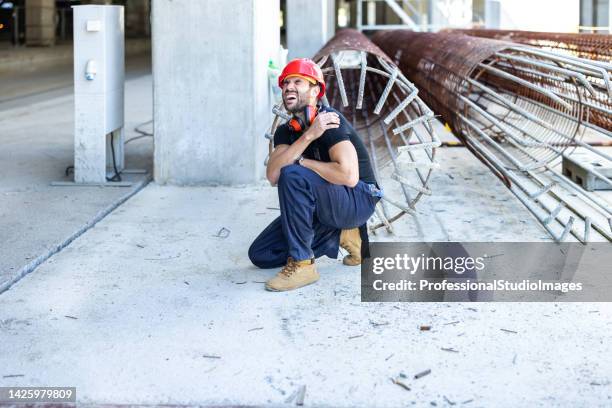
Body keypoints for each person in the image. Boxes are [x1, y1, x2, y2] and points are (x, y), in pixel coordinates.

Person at [248, 58, 382, 292]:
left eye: (298, 82)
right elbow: (272, 175)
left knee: (292, 174)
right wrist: (308, 136)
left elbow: (349, 176)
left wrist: (302, 161)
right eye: (285, 83)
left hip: (359, 199)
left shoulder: (330, 122)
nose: (289, 87)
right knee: (261, 254)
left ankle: (303, 264)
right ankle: (343, 234)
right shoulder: (286, 131)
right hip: (326, 204)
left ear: (316, 90)